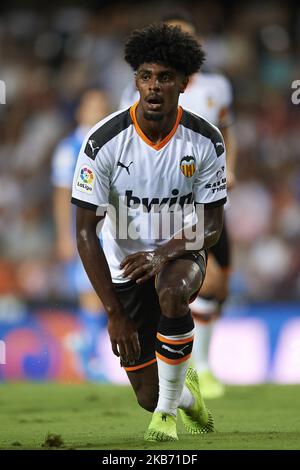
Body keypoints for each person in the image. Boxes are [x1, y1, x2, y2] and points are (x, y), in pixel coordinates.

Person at [71, 24, 226, 442]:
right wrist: (113, 313)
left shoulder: (205, 140)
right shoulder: (103, 142)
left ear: (184, 82)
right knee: (147, 393)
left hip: (179, 252)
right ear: (135, 80)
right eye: (145, 76)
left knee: (173, 291)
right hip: (124, 266)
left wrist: (162, 253)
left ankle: (165, 420)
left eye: (165, 77)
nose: (154, 86)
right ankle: (184, 398)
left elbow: (211, 225)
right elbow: (85, 232)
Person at [120, 11, 237, 399]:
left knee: (218, 283)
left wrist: (229, 169)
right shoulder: (140, 90)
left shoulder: (217, 88)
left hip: (204, 195)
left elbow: (227, 130)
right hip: (158, 204)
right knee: (174, 290)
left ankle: (199, 366)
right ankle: (189, 373)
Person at [51, 89, 110, 380]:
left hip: (112, 231)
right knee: (92, 293)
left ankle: (85, 346)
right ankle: (89, 357)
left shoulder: (112, 142)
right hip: (84, 232)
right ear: (80, 112)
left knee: (110, 294)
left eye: (102, 105)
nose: (99, 110)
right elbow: (62, 194)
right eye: (93, 106)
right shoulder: (70, 148)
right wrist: (64, 234)